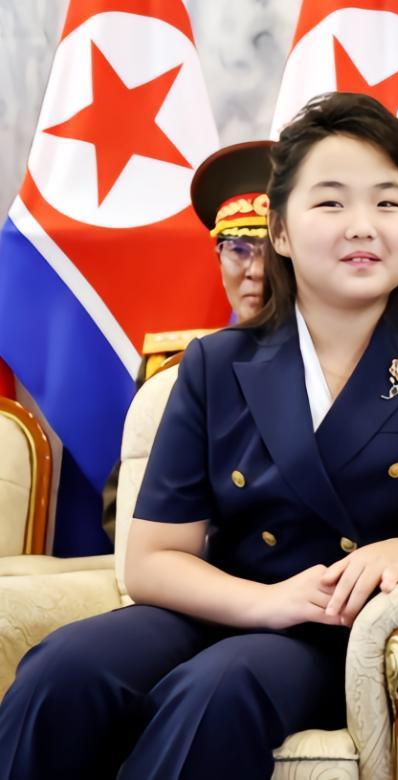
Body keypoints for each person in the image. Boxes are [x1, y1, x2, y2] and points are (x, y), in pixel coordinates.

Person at [0, 91, 398, 778]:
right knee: (63, 668)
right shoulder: (217, 362)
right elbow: (152, 560)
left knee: (218, 689)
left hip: (343, 630)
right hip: (229, 602)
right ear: (279, 230)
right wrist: (264, 602)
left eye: (389, 202)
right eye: (331, 203)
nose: (363, 226)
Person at [103, 141, 275, 542]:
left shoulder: (333, 355)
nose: (254, 270)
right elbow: (123, 505)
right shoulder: (174, 367)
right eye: (238, 250)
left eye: (269, 250)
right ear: (218, 258)